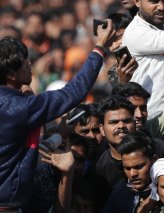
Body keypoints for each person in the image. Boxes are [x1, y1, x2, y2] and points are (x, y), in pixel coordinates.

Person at [0, 22, 113, 210]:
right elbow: (73, 92)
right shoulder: (20, 107)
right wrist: (100, 47)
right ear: (11, 75)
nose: (30, 64)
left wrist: (58, 136)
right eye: (24, 62)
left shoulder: (18, 104)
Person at [101, 132, 158, 213]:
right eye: (127, 168)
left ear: (154, 160)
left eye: (138, 167)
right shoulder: (119, 194)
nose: (132, 174)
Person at [96, 95, 138, 188]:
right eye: (114, 122)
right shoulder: (99, 168)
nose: (121, 126)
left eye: (126, 121)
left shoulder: (158, 149)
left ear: (135, 124)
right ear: (102, 129)